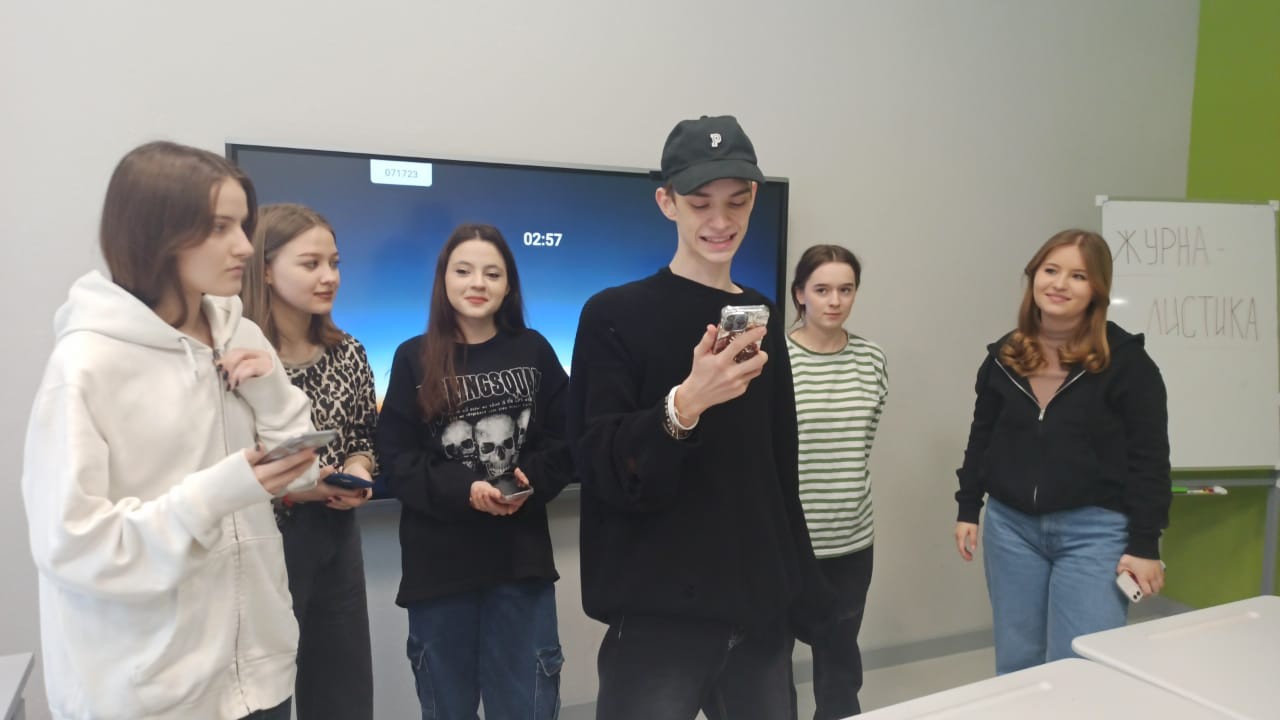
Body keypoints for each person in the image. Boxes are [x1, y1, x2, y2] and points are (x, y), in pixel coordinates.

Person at [21, 141, 321, 720]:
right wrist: (215, 493)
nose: (244, 246)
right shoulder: (85, 367)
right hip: (152, 696)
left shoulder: (242, 335)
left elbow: (303, 475)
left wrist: (271, 393)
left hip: (262, 677)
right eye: (219, 227)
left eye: (243, 225)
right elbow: (74, 547)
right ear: (155, 234)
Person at [567, 114, 831, 720]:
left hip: (756, 609)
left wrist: (801, 589)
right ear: (667, 203)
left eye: (736, 202)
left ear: (754, 199)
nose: (720, 221)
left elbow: (777, 467)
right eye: (700, 202)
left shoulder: (761, 314)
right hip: (658, 614)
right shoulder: (613, 315)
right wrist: (684, 404)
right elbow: (600, 463)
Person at [376, 223, 572, 720]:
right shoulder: (412, 357)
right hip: (439, 571)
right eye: (463, 271)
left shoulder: (535, 350)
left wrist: (528, 480)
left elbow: (568, 439)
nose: (477, 283)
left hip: (520, 565)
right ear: (444, 279)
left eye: (492, 273)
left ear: (509, 285)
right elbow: (396, 458)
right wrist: (466, 489)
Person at [954, 229, 1171, 674]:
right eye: (1051, 270)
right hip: (1011, 529)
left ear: (1097, 290)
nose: (1059, 284)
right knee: (1018, 663)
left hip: (1095, 532)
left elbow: (1150, 461)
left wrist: (1145, 544)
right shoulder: (1003, 357)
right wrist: (968, 506)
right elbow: (982, 437)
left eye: (1078, 276)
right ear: (1034, 276)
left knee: (1082, 665)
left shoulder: (1129, 364)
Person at [241, 203, 376, 720]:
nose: (329, 277)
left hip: (336, 540)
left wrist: (358, 470)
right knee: (264, 698)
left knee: (343, 694)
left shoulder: (350, 352)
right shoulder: (239, 360)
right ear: (265, 270)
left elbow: (363, 435)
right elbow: (226, 464)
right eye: (311, 264)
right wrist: (301, 485)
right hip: (264, 545)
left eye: (334, 263)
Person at [786, 245, 887, 718]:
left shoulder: (872, 359)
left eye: (845, 290)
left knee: (839, 666)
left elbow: (860, 443)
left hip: (850, 539)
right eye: (822, 289)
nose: (835, 301)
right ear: (800, 294)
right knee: (768, 662)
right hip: (787, 541)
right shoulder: (774, 360)